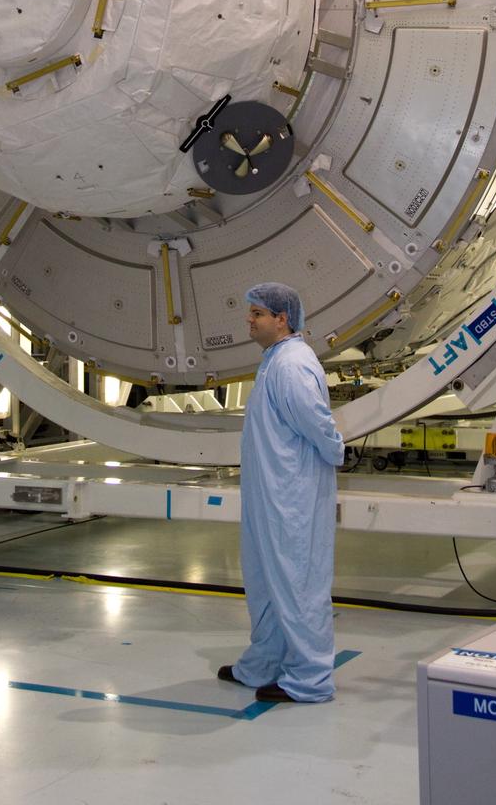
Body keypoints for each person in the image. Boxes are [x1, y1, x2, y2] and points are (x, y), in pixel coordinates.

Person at [218, 282, 344, 703]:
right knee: (265, 582)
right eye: (250, 313)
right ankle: (263, 663)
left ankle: (310, 679)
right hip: (269, 493)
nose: (249, 321)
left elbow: (316, 423)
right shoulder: (274, 360)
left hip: (291, 498)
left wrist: (335, 451)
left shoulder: (291, 365)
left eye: (256, 313)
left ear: (281, 318)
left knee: (297, 584)